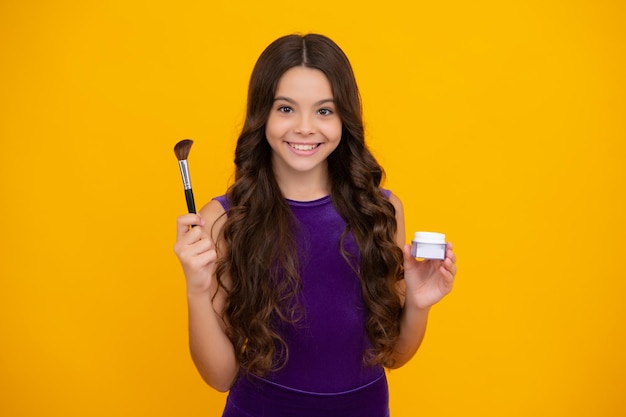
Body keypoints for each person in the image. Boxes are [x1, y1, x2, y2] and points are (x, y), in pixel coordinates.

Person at [174, 33, 457, 417]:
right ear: (262, 115)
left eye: (324, 111)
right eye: (286, 109)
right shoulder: (221, 220)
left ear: (345, 118)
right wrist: (196, 290)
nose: (305, 127)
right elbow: (220, 377)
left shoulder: (381, 212)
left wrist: (418, 306)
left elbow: (394, 356)